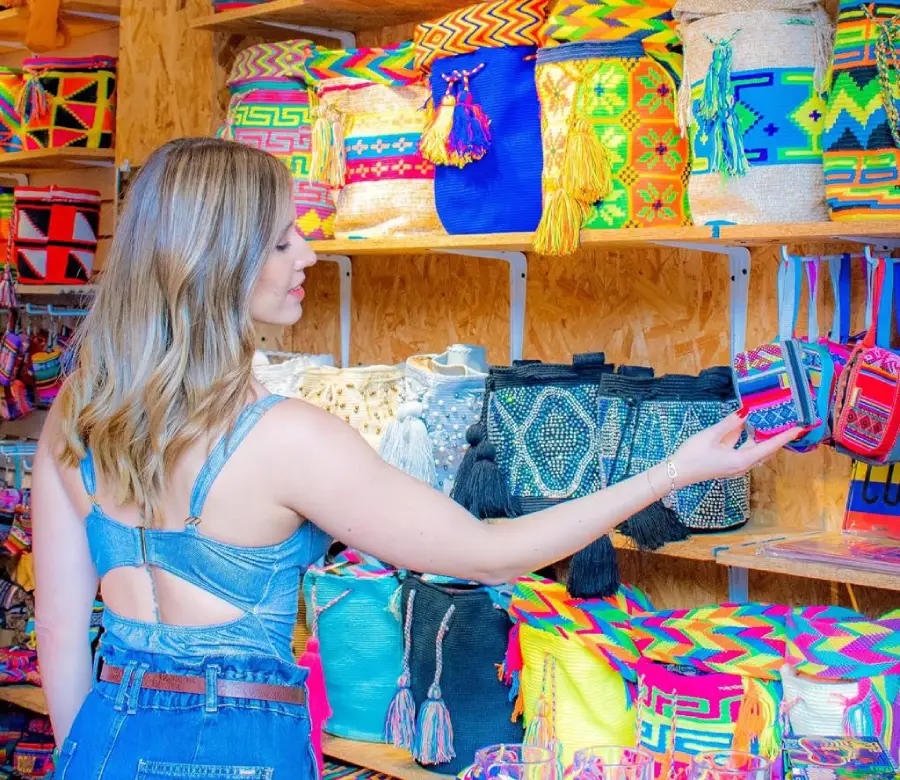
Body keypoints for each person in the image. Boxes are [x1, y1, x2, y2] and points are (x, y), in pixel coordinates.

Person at [32, 138, 798, 779]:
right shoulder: (286, 437)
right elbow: (491, 556)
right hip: (240, 752)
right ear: (214, 260)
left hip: (105, 737)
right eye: (279, 239)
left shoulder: (80, 411)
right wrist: (675, 472)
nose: (308, 252)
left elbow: (62, 635)